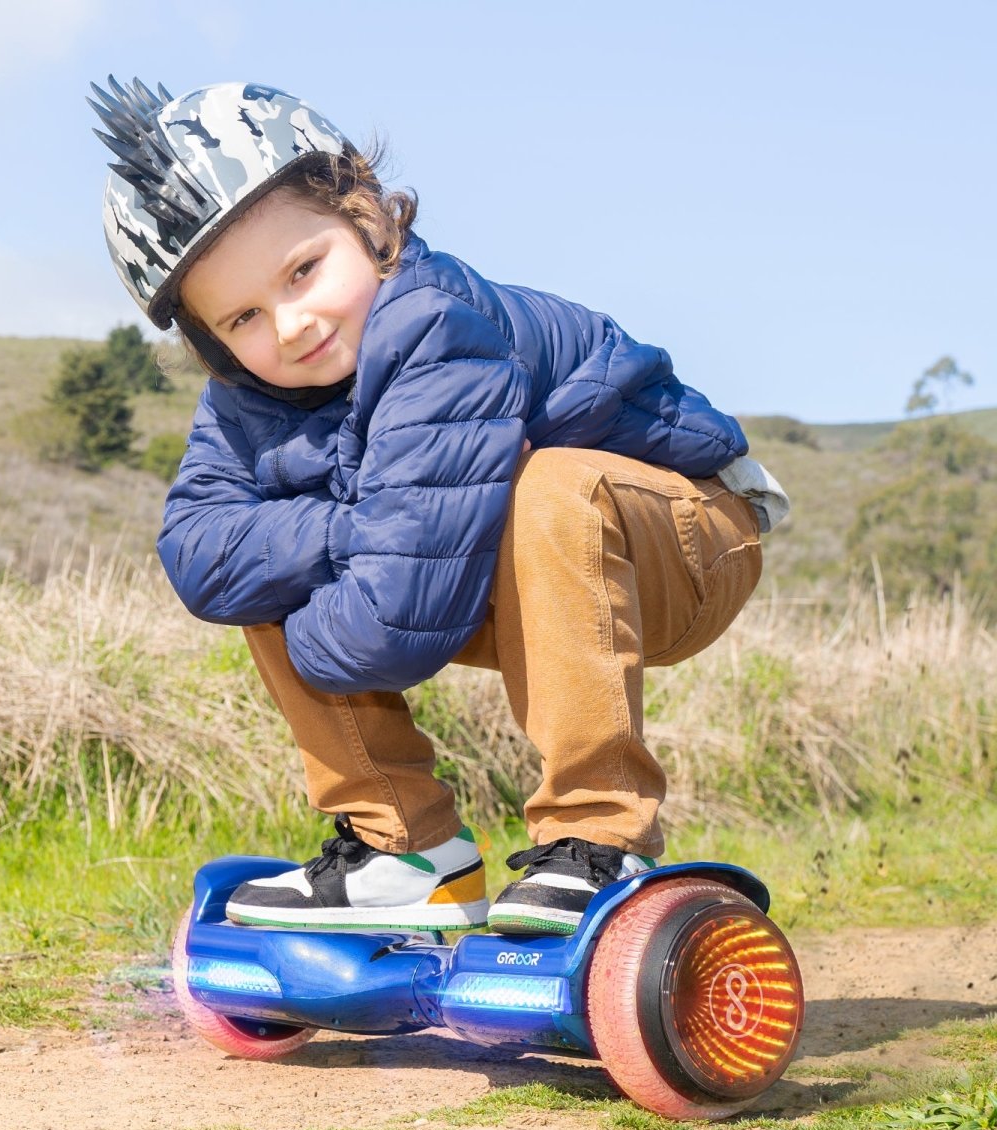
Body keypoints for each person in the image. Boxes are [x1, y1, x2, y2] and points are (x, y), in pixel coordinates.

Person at [91, 78, 789, 936]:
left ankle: (599, 838)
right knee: (259, 561)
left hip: (687, 542)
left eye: (304, 270)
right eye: (243, 318)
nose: (293, 323)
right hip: (513, 579)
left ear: (367, 217)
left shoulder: (433, 321)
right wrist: (348, 529)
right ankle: (406, 851)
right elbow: (200, 552)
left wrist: (330, 563)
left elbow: (397, 619)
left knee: (546, 487)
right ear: (212, 344)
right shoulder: (248, 396)